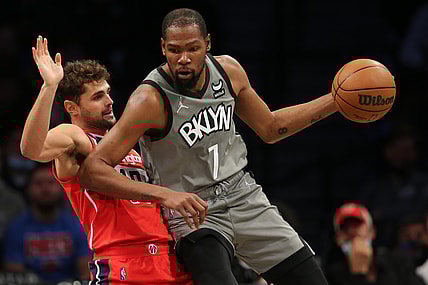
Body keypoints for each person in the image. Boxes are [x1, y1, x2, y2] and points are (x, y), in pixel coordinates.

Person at [79, 8, 338, 285]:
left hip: (243, 195)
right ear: (163, 48)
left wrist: (336, 101)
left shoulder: (229, 72)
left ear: (208, 44)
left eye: (193, 48)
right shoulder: (149, 100)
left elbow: (271, 128)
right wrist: (163, 195)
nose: (184, 59)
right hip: (193, 213)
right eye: (175, 50)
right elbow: (92, 171)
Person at [20, 36, 205, 284]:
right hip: (121, 264)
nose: (109, 102)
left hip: (169, 260)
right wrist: (49, 87)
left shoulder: (127, 145)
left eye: (107, 93)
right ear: (72, 108)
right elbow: (32, 149)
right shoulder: (77, 138)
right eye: (97, 97)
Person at [2, 163, 91, 284]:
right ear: (28, 189)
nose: (45, 188)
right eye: (38, 183)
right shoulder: (16, 228)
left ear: (61, 188)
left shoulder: (76, 226)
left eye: (50, 183)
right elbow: (14, 273)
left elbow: (85, 271)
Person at [323, 202, 425, 285]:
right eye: (345, 228)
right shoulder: (330, 276)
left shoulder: (398, 263)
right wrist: (358, 274)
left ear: (372, 232)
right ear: (337, 239)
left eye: (357, 226)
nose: (352, 231)